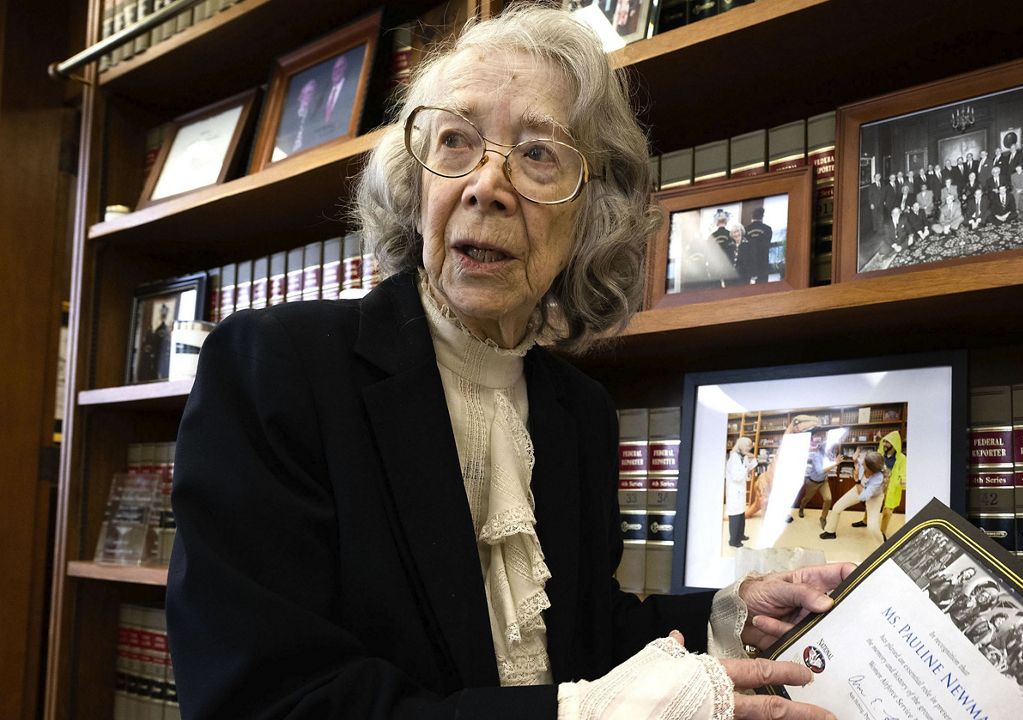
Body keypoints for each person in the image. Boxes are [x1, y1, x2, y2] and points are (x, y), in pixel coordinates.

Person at [166, 8, 850, 719]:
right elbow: (265, 701)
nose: (484, 185)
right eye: (456, 141)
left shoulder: (577, 411)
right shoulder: (274, 367)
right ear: (416, 185)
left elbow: (579, 639)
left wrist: (728, 620)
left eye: (537, 154)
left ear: (593, 213)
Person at [820, 450, 885, 540]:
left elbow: (863, 496)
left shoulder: (878, 478)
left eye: (864, 464)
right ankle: (830, 532)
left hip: (874, 497)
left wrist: (857, 480)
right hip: (860, 487)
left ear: (871, 469)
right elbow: (858, 464)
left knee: (872, 527)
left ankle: (882, 543)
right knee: (837, 507)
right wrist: (855, 461)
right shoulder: (864, 465)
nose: (862, 463)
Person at [794, 431, 833, 527]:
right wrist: (835, 463)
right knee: (807, 498)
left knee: (828, 499)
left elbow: (829, 465)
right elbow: (820, 471)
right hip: (813, 482)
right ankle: (801, 508)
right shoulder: (816, 456)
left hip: (823, 482)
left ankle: (823, 518)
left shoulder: (829, 455)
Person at [724, 437, 757, 547]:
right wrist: (745, 467)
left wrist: (752, 459)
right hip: (734, 492)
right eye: (748, 447)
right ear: (742, 446)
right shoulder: (734, 458)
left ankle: (741, 535)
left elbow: (749, 468)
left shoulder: (743, 457)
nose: (749, 449)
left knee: (741, 515)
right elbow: (737, 477)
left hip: (740, 491)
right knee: (735, 516)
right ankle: (733, 541)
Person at [876, 430, 907, 537]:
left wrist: (903, 480)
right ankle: (865, 521)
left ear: (894, 444)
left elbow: (903, 472)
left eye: (887, 442)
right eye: (884, 442)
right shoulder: (880, 454)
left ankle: (882, 532)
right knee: (871, 505)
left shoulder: (902, 458)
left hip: (892, 487)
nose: (885, 444)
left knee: (887, 512)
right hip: (878, 485)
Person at [743, 206, 773, 283]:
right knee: (763, 287)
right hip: (763, 263)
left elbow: (744, 246)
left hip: (749, 264)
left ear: (752, 216)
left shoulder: (746, 230)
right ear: (762, 216)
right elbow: (767, 244)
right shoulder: (767, 229)